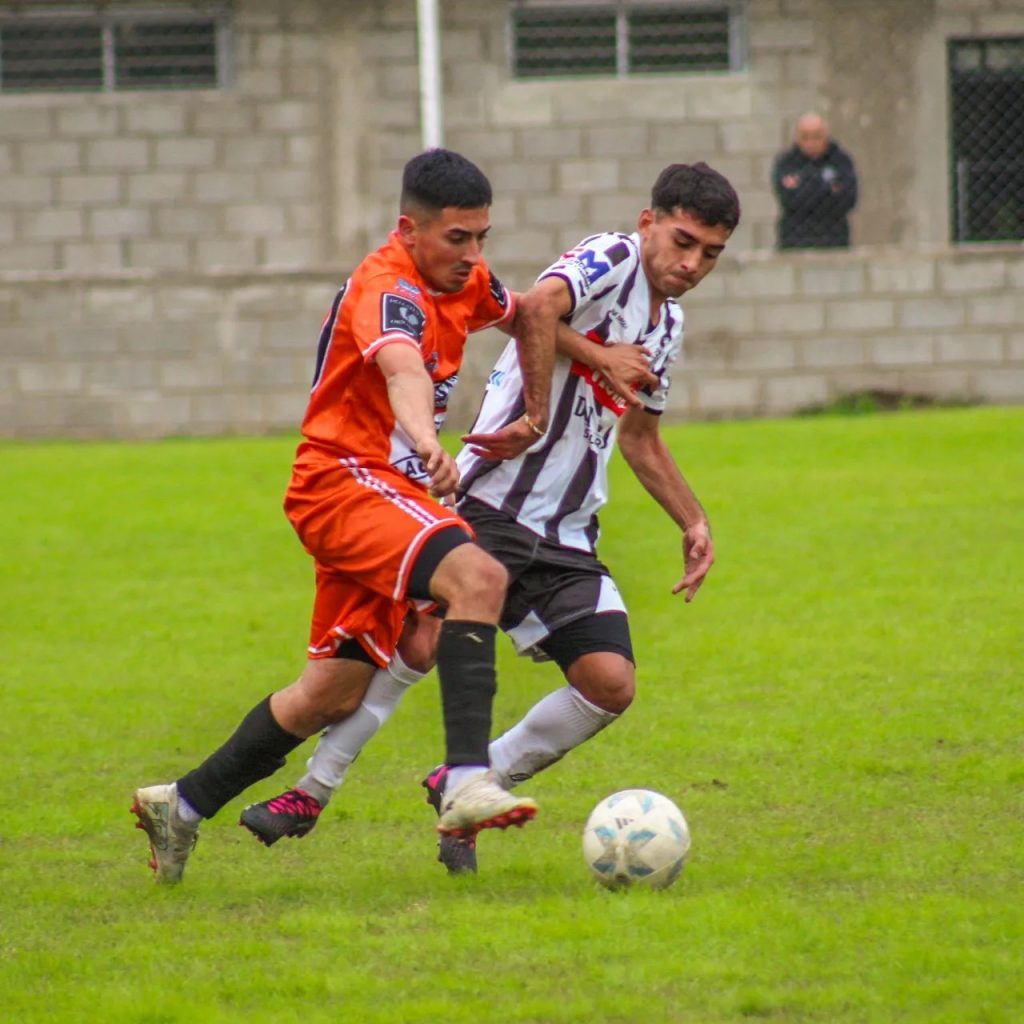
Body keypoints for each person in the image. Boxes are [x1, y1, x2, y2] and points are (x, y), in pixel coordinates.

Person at [241, 162, 741, 875]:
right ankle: (312, 791)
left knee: (610, 683)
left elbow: (640, 438)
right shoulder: (612, 257)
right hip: (494, 501)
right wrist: (538, 414)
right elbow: (536, 308)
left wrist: (692, 521)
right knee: (420, 640)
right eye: (683, 242)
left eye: (710, 255)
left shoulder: (669, 324)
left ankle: (469, 784)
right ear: (648, 222)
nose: (691, 265)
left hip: (569, 531)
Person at [131, 148, 558, 883]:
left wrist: (591, 363)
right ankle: (464, 780)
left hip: (380, 493)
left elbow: (525, 317)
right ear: (410, 229)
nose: (474, 255)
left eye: (483, 236)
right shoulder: (386, 288)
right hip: (343, 483)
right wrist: (428, 441)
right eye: (458, 238)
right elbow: (402, 368)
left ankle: (183, 805)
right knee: (477, 579)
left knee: (329, 693)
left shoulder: (469, 281)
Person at [772, 112, 858, 249]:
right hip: (795, 242)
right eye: (805, 137)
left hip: (834, 242)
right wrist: (826, 188)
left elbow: (848, 198)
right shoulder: (786, 162)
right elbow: (789, 200)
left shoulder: (841, 160)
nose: (811, 142)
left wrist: (804, 186)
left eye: (817, 136)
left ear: (826, 136)